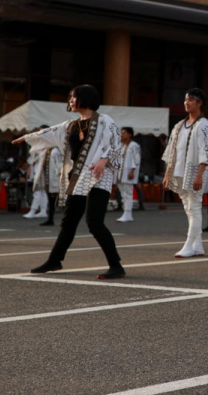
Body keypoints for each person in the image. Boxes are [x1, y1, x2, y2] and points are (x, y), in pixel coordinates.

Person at [14, 86, 125, 278]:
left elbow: (115, 144)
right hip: (78, 177)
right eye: (70, 98)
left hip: (99, 176)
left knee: (94, 222)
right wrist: (27, 137)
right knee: (69, 222)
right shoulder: (70, 125)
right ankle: (54, 261)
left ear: (86, 98)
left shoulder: (105, 121)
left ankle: (116, 266)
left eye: (74, 97)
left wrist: (104, 160)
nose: (70, 101)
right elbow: (49, 132)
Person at [162, 88, 208, 258]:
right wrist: (167, 173)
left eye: (191, 100)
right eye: (186, 99)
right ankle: (197, 245)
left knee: (194, 207)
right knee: (188, 206)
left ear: (199, 103)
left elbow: (206, 152)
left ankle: (189, 244)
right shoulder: (179, 125)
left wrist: (200, 174)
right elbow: (172, 150)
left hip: (194, 171)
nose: (187, 102)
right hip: (179, 170)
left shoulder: (204, 125)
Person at [115, 126, 142, 222]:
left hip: (128, 173)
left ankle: (128, 213)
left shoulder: (134, 145)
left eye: (124, 133)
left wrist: (132, 171)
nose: (122, 135)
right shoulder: (121, 145)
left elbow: (136, 159)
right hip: (120, 173)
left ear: (130, 135)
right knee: (123, 194)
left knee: (128, 193)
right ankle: (126, 213)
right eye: (121, 133)